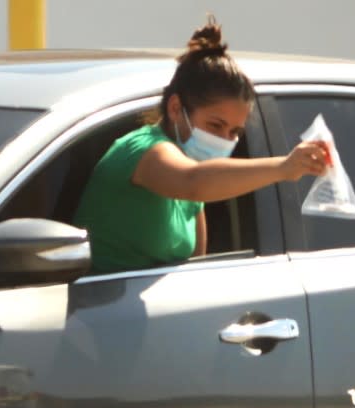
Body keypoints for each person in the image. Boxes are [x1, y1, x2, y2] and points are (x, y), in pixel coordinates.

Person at [73, 18, 329, 273]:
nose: (224, 140)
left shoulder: (194, 173)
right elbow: (194, 182)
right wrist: (284, 167)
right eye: (215, 126)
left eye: (234, 131)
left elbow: (195, 267)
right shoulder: (145, 150)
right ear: (176, 108)